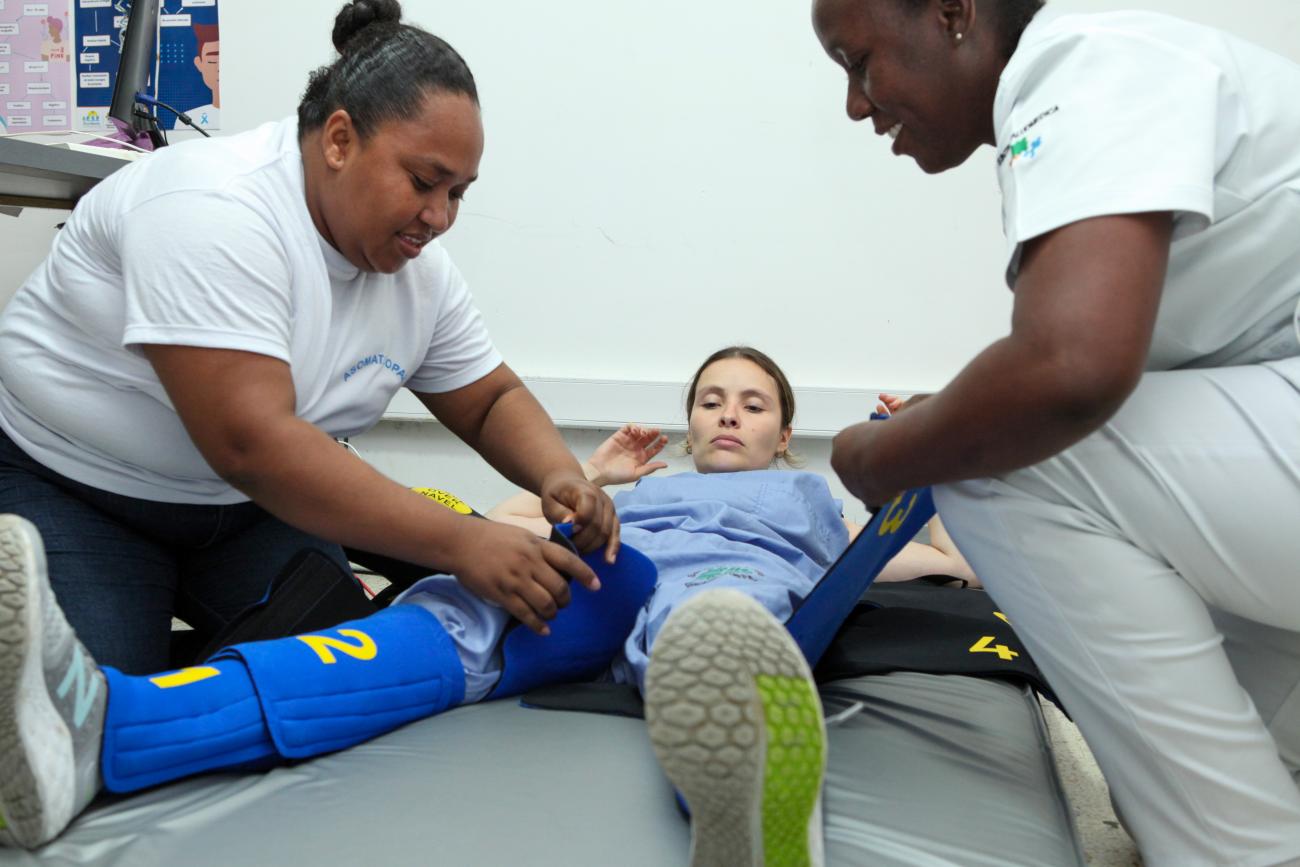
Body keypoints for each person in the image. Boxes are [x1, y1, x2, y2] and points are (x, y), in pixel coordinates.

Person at [0, 346, 956, 858]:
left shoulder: (810, 497)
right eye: (711, 399)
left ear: (787, 432)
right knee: (451, 612)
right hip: (613, 566)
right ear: (690, 421)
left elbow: (939, 563)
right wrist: (589, 480)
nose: (728, 415)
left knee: (705, 617)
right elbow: (507, 516)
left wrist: (920, 466)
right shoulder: (645, 490)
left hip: (727, 586)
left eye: (751, 403)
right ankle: (110, 722)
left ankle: (751, 798)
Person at [811, 2, 1300, 864]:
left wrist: (877, 453)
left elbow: (1068, 370)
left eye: (859, 62)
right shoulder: (1117, 72)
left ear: (954, 14)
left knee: (1003, 465)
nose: (856, 104)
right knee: (1226, 769)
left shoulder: (1081, 64)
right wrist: (957, 411)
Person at [0, 0, 620, 679]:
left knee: (351, 688)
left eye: (458, 194)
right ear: (339, 140)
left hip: (247, 512)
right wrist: (465, 541)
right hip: (75, 486)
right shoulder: (213, 208)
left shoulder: (420, 274)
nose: (439, 217)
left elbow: (488, 398)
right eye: (423, 182)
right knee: (86, 728)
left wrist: (557, 474)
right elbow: (253, 443)